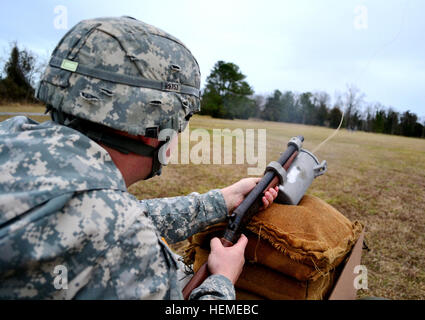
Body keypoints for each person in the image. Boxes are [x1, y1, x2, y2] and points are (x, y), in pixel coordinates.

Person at [0, 16, 278, 299]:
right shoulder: (129, 244)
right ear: (154, 127)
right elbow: (115, 222)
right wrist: (221, 280)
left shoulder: (12, 140)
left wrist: (220, 200)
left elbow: (106, 213)